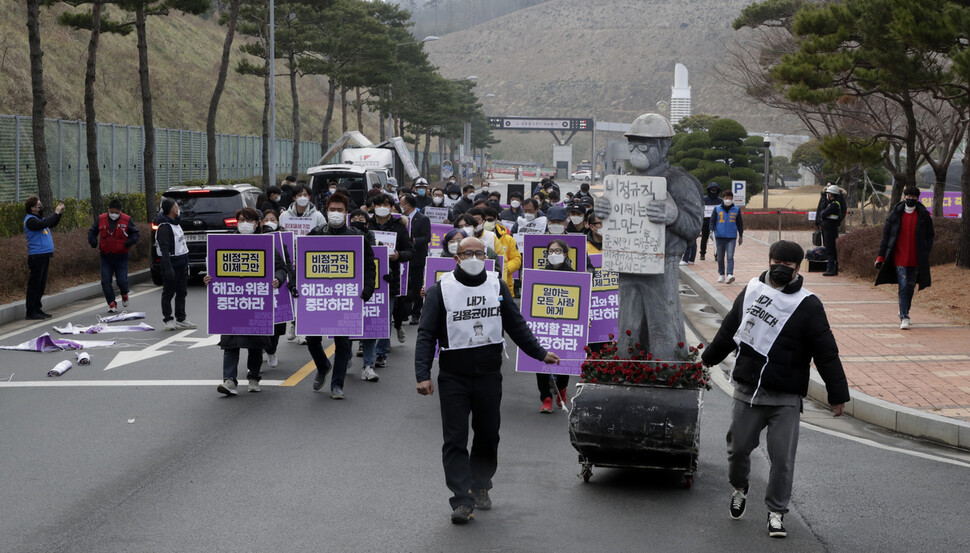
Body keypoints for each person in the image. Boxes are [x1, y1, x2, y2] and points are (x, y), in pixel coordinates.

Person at [701, 240, 849, 539]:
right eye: (776, 263)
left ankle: (776, 512)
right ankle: (740, 488)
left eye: (788, 266)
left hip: (786, 397)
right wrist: (705, 360)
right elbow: (729, 330)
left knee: (782, 459)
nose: (780, 270)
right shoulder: (753, 292)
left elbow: (826, 352)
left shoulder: (808, 305)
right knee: (737, 450)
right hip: (748, 390)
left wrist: (837, 394)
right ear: (769, 261)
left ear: (797, 269)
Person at [415, 236, 561, 524]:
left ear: (487, 256)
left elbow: (515, 324)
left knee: (488, 434)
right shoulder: (440, 289)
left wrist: (540, 353)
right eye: (467, 253)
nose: (473, 257)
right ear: (455, 258)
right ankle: (461, 500)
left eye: (479, 253)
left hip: (489, 376)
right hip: (453, 377)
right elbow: (425, 333)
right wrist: (422, 375)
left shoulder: (497, 284)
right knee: (455, 439)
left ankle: (480, 483)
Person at [593, 113, 704, 362]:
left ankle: (668, 369)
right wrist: (604, 212)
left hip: (662, 264)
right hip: (628, 262)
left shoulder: (679, 181)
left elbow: (695, 227)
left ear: (663, 146)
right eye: (632, 144)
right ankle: (625, 366)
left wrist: (673, 216)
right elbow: (612, 224)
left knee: (663, 321)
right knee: (627, 324)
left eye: (644, 145)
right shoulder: (625, 182)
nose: (636, 151)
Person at [204, 208, 289, 395]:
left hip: (256, 301)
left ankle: (253, 377)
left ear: (258, 223)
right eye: (242, 220)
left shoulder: (266, 244)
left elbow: (282, 268)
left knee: (255, 342)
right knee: (230, 341)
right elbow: (213, 268)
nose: (245, 224)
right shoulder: (224, 243)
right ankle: (229, 380)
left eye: (250, 220)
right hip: (232, 302)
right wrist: (209, 278)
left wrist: (277, 279)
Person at [305, 193, 376, 399]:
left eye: (340, 210)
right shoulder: (315, 234)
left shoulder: (357, 237)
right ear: (326, 211)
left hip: (346, 298)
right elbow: (301, 265)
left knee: (343, 344)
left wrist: (368, 289)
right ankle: (323, 365)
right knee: (311, 339)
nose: (335, 213)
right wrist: (295, 286)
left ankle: (337, 385)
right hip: (319, 297)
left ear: (346, 213)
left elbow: (369, 267)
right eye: (332, 209)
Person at [874, 186, 935, 330]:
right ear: (904, 196)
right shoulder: (895, 214)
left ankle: (904, 310)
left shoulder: (924, 215)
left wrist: (925, 250)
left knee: (910, 287)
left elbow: (930, 235)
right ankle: (904, 316)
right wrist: (881, 256)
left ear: (917, 198)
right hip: (899, 257)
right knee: (903, 286)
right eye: (908, 196)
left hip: (916, 258)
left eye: (913, 197)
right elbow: (886, 237)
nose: (910, 199)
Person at [368, 193, 415, 366]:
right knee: (364, 315)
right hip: (367, 279)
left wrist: (398, 255)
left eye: (386, 204)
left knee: (384, 317)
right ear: (373, 206)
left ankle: (381, 353)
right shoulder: (367, 224)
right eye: (379, 204)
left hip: (389, 279)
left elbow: (410, 251)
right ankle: (364, 349)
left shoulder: (399, 227)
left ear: (391, 207)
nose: (382, 207)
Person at [536, 238, 575, 413]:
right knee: (540, 361)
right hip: (545, 324)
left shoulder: (575, 275)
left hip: (566, 325)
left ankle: (562, 389)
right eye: (551, 251)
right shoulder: (539, 275)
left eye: (558, 251)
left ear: (565, 254)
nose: (554, 254)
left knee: (564, 360)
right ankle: (546, 398)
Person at [88, 199, 140, 313]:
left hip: (121, 256)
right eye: (112, 212)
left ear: (120, 211)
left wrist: (129, 242)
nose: (114, 214)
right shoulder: (101, 219)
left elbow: (136, 233)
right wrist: (92, 240)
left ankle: (124, 293)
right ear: (108, 210)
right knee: (105, 281)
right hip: (106, 256)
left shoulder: (126, 220)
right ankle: (111, 303)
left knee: (122, 280)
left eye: (116, 212)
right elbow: (92, 231)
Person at [260, 209, 295, 368]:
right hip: (257, 289)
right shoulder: (252, 238)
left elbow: (286, 265)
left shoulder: (282, 240)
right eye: (266, 219)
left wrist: (283, 280)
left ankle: (271, 350)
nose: (269, 222)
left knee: (277, 325)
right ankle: (258, 351)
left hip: (277, 287)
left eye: (273, 219)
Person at [154, 198, 196, 331]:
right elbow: (164, 249)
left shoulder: (176, 223)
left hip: (182, 262)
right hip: (171, 263)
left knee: (182, 292)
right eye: (177, 206)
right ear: (172, 209)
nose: (178, 209)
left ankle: (181, 318)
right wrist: (168, 268)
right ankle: (168, 319)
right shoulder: (164, 227)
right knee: (168, 293)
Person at [23, 196, 65, 319]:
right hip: (37, 256)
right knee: (34, 285)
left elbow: (51, 223)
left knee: (41, 285)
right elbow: (44, 223)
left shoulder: (38, 218)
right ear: (33, 208)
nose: (41, 207)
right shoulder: (30, 220)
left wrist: (59, 214)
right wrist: (55, 212)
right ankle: (30, 311)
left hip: (44, 255)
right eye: (38, 205)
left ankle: (37, 308)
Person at [400, 194, 431, 325]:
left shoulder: (422, 219)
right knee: (403, 286)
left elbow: (426, 238)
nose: (400, 206)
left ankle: (416, 313)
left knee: (417, 286)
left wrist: (414, 241)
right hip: (402, 257)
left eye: (401, 204)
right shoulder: (400, 219)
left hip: (417, 258)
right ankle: (403, 312)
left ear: (408, 205)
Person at [711, 190, 744, 284]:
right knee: (720, 257)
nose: (728, 200)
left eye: (730, 198)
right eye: (726, 198)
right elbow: (712, 221)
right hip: (719, 236)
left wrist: (741, 235)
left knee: (730, 257)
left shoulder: (736, 209)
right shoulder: (717, 209)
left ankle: (729, 274)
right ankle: (721, 274)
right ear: (723, 198)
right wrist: (711, 231)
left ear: (732, 198)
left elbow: (740, 223)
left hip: (731, 237)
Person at [818, 184, 844, 276]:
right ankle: (833, 268)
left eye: (828, 194)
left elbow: (823, 214)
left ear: (832, 194)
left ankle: (830, 269)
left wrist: (823, 213)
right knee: (830, 248)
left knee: (830, 249)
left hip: (830, 229)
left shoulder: (833, 205)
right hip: (829, 228)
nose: (827, 195)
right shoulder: (833, 204)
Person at [700, 182, 721, 261]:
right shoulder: (704, 199)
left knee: (716, 239)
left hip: (717, 223)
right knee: (704, 238)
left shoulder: (720, 201)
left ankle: (717, 254)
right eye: (712, 190)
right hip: (705, 222)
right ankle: (702, 253)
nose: (713, 191)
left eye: (715, 190)